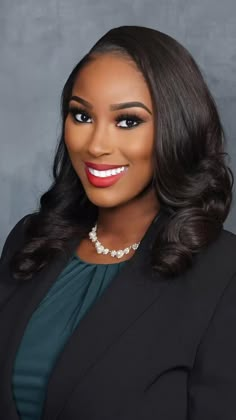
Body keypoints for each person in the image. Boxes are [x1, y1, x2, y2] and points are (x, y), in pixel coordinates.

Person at [0, 25, 235, 420]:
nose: (96, 145)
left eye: (128, 121)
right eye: (81, 115)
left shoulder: (224, 273)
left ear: (176, 129)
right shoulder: (29, 240)